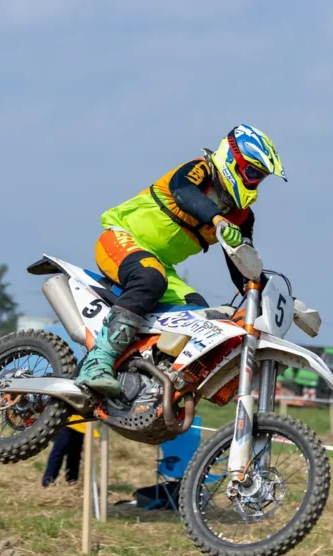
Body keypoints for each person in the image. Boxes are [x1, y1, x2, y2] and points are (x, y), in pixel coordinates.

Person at [77, 124, 286, 397]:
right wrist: (216, 218)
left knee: (201, 317)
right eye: (252, 173)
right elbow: (183, 193)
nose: (254, 183)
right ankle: (97, 362)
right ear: (233, 158)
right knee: (149, 278)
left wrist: (269, 296)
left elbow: (243, 267)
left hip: (162, 265)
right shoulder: (201, 170)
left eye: (260, 178)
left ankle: (150, 384)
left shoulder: (243, 217)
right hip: (123, 238)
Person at [41, 419, 98, 487]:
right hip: (68, 420)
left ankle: (72, 482)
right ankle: (48, 482)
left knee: (74, 455)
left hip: (81, 423)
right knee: (59, 451)